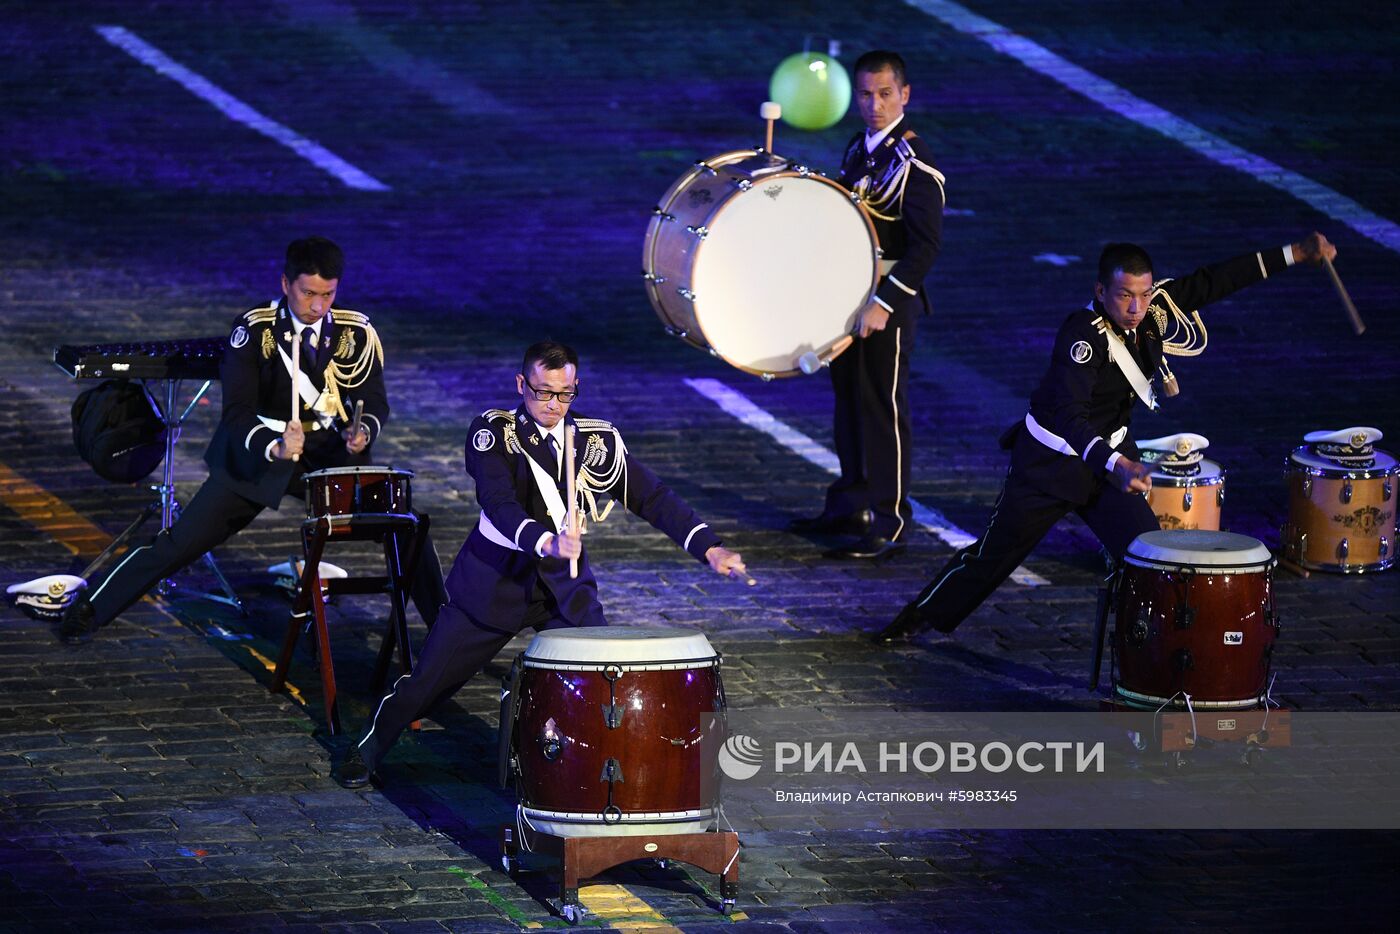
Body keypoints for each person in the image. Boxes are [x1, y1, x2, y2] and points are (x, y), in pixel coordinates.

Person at [876, 232, 1337, 643]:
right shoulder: (1082, 337)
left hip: (1112, 462)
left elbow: (1215, 280)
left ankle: (1146, 648)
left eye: (1143, 294)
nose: (1136, 307)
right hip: (1051, 466)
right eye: (1124, 296)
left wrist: (1295, 253)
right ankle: (917, 617)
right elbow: (1071, 418)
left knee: (1147, 557)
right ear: (1101, 291)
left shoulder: (1155, 309)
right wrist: (1118, 465)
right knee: (991, 559)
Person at [334, 340, 747, 788]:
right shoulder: (493, 433)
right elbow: (498, 503)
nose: (553, 405)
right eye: (543, 392)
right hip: (495, 580)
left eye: (565, 394)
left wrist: (709, 548)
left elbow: (651, 495)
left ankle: (597, 779)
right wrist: (545, 541)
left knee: (599, 679)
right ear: (521, 384)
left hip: (563, 588)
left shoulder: (594, 440)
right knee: (430, 684)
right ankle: (368, 750)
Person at [61, 237, 445, 642]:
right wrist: (276, 446)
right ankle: (93, 610)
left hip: (326, 455)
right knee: (181, 542)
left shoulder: (355, 333)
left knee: (408, 524)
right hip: (258, 452)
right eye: (309, 293)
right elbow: (237, 412)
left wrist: (363, 431)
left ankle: (445, 634)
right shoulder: (253, 331)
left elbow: (374, 401)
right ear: (285, 284)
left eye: (328, 295)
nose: (318, 306)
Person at [790, 50, 946, 561]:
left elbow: (924, 248)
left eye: (884, 94)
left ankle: (889, 519)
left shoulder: (915, 166)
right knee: (849, 402)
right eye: (865, 94)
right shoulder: (861, 148)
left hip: (886, 304)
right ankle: (850, 504)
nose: (874, 105)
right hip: (849, 299)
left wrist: (883, 303)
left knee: (882, 408)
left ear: (904, 95)